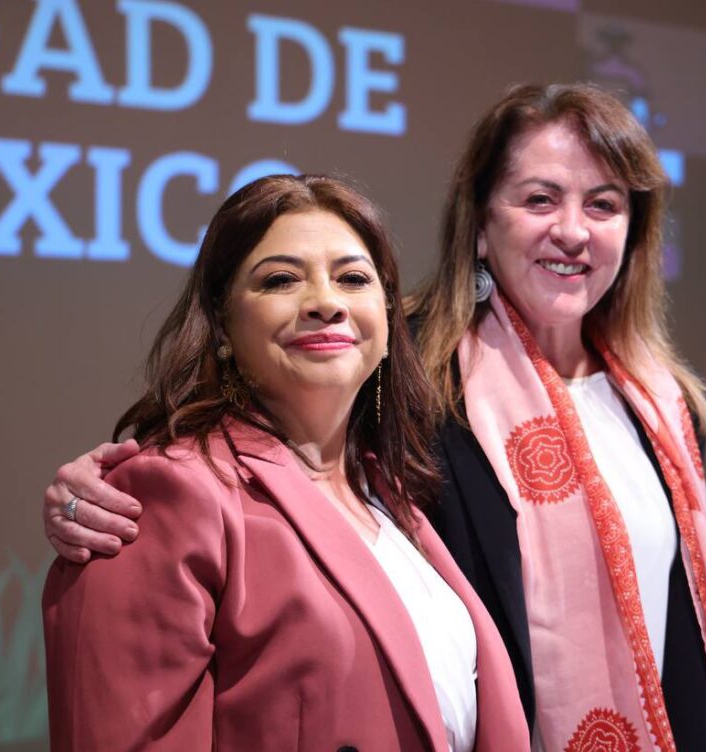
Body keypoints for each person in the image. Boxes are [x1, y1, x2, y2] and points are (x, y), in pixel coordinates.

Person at [44, 83, 706, 751]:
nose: (572, 230)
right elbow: (245, 443)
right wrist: (92, 487)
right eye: (540, 199)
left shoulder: (663, 402)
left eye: (604, 205)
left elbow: (678, 637)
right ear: (480, 225)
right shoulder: (409, 376)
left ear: (634, 232)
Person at [41, 174, 530, 752]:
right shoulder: (167, 493)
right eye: (280, 280)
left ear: (388, 319)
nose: (325, 302)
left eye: (352, 278)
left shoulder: (396, 494)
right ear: (223, 325)